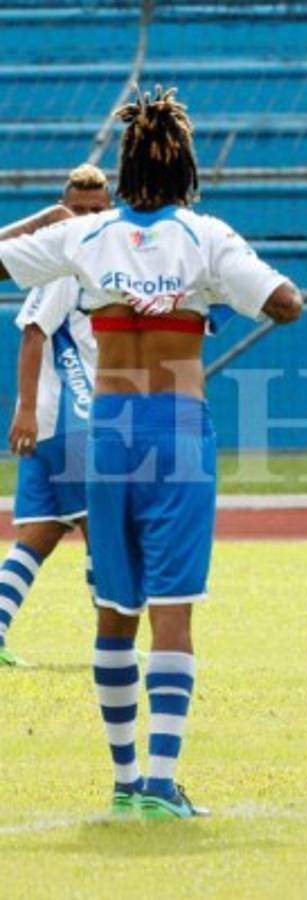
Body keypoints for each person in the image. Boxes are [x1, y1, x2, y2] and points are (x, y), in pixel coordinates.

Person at [0, 86, 302, 819]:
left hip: (107, 429)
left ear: (125, 166)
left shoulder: (89, 236)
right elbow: (288, 303)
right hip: (174, 429)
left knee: (114, 607)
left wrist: (57, 221)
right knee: (174, 608)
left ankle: (125, 779)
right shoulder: (205, 236)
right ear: (186, 167)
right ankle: (164, 782)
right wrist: (205, 301)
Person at [0, 164, 110, 667]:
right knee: (102, 527)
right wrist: (25, 409)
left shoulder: (76, 262)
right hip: (72, 420)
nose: (86, 218)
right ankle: (114, 645)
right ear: (61, 213)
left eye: (95, 210)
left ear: (108, 210)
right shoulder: (71, 267)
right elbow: (33, 333)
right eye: (78, 210)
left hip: (51, 425)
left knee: (38, 535)